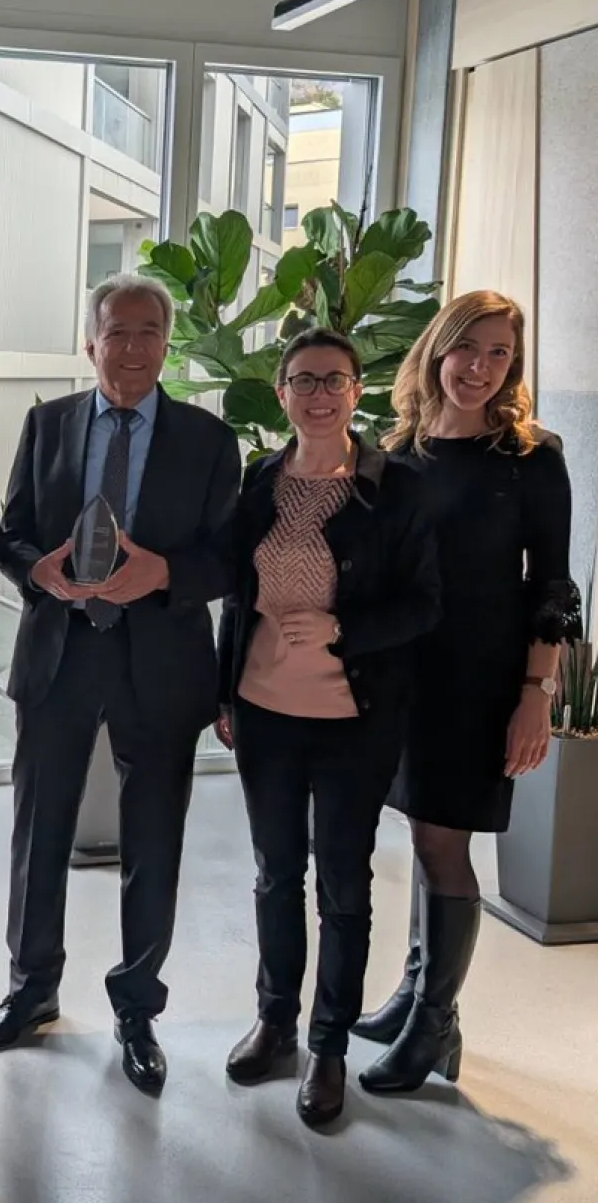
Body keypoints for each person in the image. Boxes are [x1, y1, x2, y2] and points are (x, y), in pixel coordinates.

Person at [0, 272, 241, 1093]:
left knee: (152, 845)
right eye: (115, 332)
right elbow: (10, 534)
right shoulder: (48, 424)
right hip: (60, 656)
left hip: (159, 662)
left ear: (168, 343)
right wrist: (38, 572)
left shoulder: (206, 439)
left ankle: (136, 1008)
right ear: (90, 343)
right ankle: (31, 991)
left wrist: (162, 573)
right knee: (38, 835)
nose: (131, 348)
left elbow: (229, 558)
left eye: (148, 331)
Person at [355, 290, 581, 1094]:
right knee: (423, 835)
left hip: (482, 679)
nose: (480, 369)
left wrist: (535, 693)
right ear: (437, 350)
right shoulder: (398, 452)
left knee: (445, 843)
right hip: (407, 676)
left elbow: (552, 584)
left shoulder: (530, 459)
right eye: (468, 349)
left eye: (498, 356)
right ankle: (417, 990)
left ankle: (435, 1026)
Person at [214, 329, 440, 1127]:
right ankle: (276, 1022)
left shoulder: (395, 489)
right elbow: (237, 601)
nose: (319, 393)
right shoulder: (259, 482)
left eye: (334, 380)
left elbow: (424, 605)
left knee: (343, 886)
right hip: (266, 710)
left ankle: (330, 1043)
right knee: (276, 874)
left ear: (356, 392)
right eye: (303, 379)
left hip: (355, 717)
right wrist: (225, 694)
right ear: (280, 393)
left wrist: (343, 629)